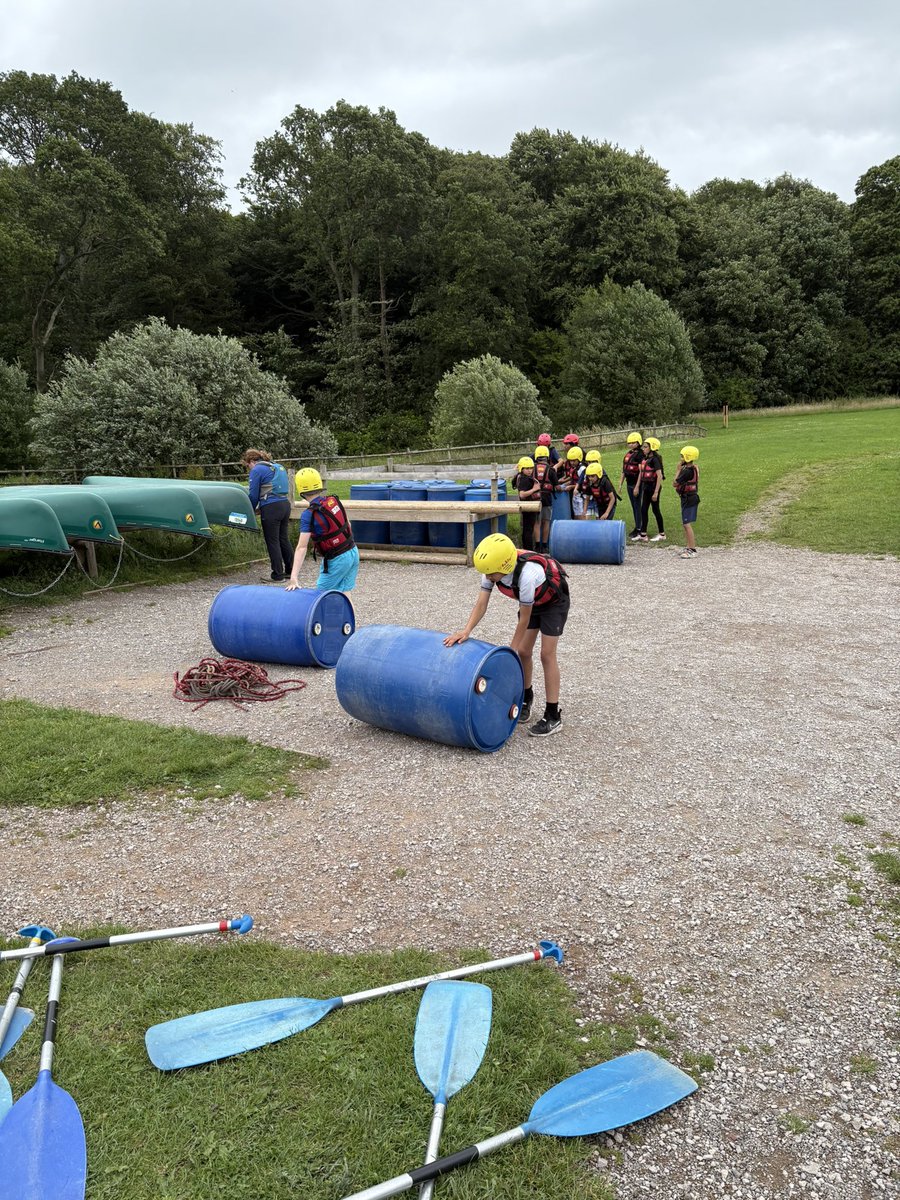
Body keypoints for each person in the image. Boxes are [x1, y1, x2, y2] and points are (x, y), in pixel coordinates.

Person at [444, 533, 569, 738]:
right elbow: (481, 603)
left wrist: (509, 650)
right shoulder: (490, 570)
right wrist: (466, 630)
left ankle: (553, 715)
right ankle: (527, 697)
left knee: (546, 654)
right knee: (523, 651)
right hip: (532, 603)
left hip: (553, 603)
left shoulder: (527, 575)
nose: (488, 577)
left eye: (491, 574)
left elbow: (525, 618)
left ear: (504, 566)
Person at [286, 468, 359, 594]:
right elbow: (348, 524)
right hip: (352, 551)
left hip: (337, 558)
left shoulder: (308, 514)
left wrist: (293, 578)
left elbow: (301, 548)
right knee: (345, 594)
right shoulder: (333, 501)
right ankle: (349, 615)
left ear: (301, 491)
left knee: (321, 597)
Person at [242, 448, 293, 581]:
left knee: (272, 541)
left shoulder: (257, 470)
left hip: (272, 508)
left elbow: (253, 495)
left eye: (248, 465)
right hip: (285, 505)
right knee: (283, 539)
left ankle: (277, 575)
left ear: (252, 461)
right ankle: (290, 571)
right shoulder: (275, 466)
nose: (249, 469)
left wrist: (250, 510)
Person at [632, 437, 665, 543]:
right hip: (646, 487)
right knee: (643, 510)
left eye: (646, 447)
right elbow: (641, 474)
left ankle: (662, 534)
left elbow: (659, 476)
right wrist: (637, 486)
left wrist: (656, 492)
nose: (643, 448)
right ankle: (643, 534)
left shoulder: (655, 460)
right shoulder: (645, 459)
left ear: (652, 448)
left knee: (656, 510)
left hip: (653, 488)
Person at [674, 445, 701, 558]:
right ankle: (689, 546)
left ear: (687, 457)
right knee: (686, 524)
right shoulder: (695, 468)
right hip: (691, 497)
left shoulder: (686, 472)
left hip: (688, 499)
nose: (681, 459)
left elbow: (675, 483)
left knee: (686, 524)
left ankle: (692, 549)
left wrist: (678, 470)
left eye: (682, 457)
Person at [510, 455, 540, 551]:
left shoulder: (519, 476)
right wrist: (535, 489)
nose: (529, 470)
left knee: (527, 528)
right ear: (522, 469)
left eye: (531, 468)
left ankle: (526, 549)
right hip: (529, 506)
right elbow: (522, 494)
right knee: (528, 529)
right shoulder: (524, 479)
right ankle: (529, 550)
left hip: (527, 505)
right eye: (526, 468)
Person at [532, 446, 558, 552]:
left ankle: (537, 546)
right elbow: (556, 486)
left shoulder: (532, 468)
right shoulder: (550, 470)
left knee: (537, 522)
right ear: (547, 457)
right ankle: (545, 546)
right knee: (546, 522)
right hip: (547, 499)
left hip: (535, 499)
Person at [620, 433, 644, 536]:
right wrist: (620, 484)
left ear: (638, 443)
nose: (631, 444)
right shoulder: (628, 454)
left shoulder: (640, 455)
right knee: (634, 506)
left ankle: (639, 528)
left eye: (633, 442)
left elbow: (641, 472)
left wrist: (637, 487)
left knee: (637, 506)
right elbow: (624, 470)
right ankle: (637, 526)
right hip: (629, 484)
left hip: (636, 484)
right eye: (629, 443)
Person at [559, 445, 585, 518]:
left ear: (579, 459)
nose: (572, 462)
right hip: (576, 495)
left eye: (574, 460)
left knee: (581, 515)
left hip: (582, 496)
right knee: (576, 514)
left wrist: (571, 487)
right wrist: (563, 485)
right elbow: (572, 480)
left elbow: (584, 484)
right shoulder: (573, 468)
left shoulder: (582, 469)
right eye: (570, 460)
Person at [582, 450, 602, 518]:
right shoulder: (585, 471)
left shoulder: (601, 473)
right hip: (588, 499)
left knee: (599, 519)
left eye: (593, 462)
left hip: (598, 500)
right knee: (586, 519)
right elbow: (580, 481)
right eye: (589, 462)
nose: (590, 464)